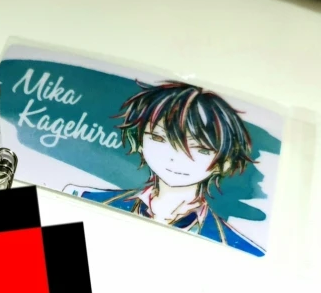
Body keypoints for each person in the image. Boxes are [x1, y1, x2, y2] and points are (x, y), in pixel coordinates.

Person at [77, 81, 264, 256]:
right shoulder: (84, 197)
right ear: (139, 141)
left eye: (200, 149)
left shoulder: (238, 248)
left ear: (224, 163)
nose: (175, 158)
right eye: (159, 138)